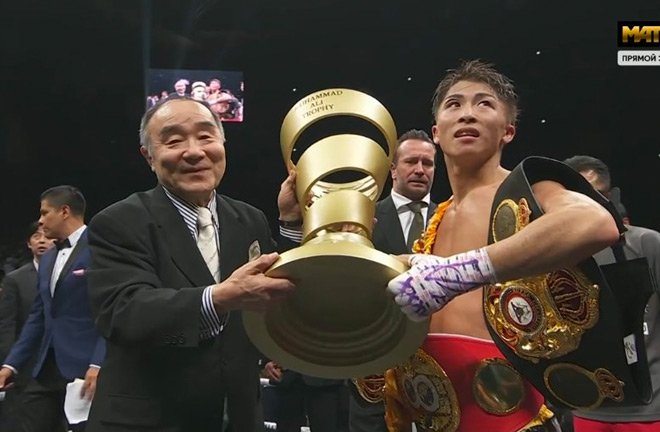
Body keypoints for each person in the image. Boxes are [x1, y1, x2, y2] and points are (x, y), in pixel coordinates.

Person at [385, 60, 621, 432]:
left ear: (507, 131)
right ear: (436, 131)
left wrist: (462, 271)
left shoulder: (523, 191)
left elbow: (594, 222)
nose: (467, 115)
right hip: (435, 415)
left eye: (484, 104)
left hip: (513, 418)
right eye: (454, 105)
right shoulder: (437, 220)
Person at [85, 96, 298, 432]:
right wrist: (220, 297)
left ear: (222, 145)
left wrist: (291, 225)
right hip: (151, 421)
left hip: (240, 417)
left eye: (206, 136)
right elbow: (123, 313)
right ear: (149, 157)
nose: (195, 151)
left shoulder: (249, 220)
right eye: (173, 141)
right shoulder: (119, 221)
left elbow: (277, 287)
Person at [348, 129, 438, 432]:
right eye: (411, 161)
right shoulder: (364, 215)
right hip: (376, 352)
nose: (420, 170)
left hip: (438, 355)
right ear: (393, 169)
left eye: (428, 163)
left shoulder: (452, 217)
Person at [564, 155, 660, 432]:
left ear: (607, 197)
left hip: (648, 410)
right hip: (588, 408)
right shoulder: (558, 257)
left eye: (588, 195)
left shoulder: (645, 243)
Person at [0, 186, 106, 432]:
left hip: (85, 367)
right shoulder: (48, 259)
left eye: (45, 212)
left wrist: (99, 363)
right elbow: (38, 317)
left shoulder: (102, 248)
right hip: (45, 367)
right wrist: (11, 365)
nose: (40, 220)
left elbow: (110, 311)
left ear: (64, 211)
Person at [0, 222, 55, 430]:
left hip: (65, 366)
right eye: (36, 236)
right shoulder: (15, 279)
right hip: (27, 368)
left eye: (47, 236)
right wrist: (11, 364)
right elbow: (6, 326)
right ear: (28, 243)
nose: (41, 240)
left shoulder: (70, 274)